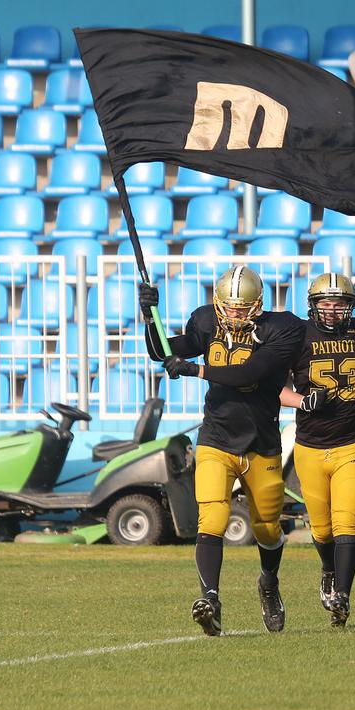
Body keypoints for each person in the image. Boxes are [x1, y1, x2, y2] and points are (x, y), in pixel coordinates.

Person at [138, 266, 305, 636]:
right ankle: (210, 600)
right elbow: (161, 350)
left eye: (242, 307)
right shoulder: (206, 321)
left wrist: (196, 371)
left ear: (258, 304)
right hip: (216, 438)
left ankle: (269, 582)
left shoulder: (282, 329)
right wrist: (149, 317)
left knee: (267, 528)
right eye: (229, 307)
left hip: (261, 442)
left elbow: (249, 373)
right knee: (212, 518)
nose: (234, 314)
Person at [281, 274, 355, 628]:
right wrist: (302, 400)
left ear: (351, 305)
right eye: (325, 302)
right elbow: (276, 388)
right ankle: (328, 569)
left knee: (346, 523)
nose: (332, 309)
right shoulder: (297, 335)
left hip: (353, 441)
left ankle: (342, 596)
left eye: (340, 303)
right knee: (321, 528)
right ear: (312, 305)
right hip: (310, 445)